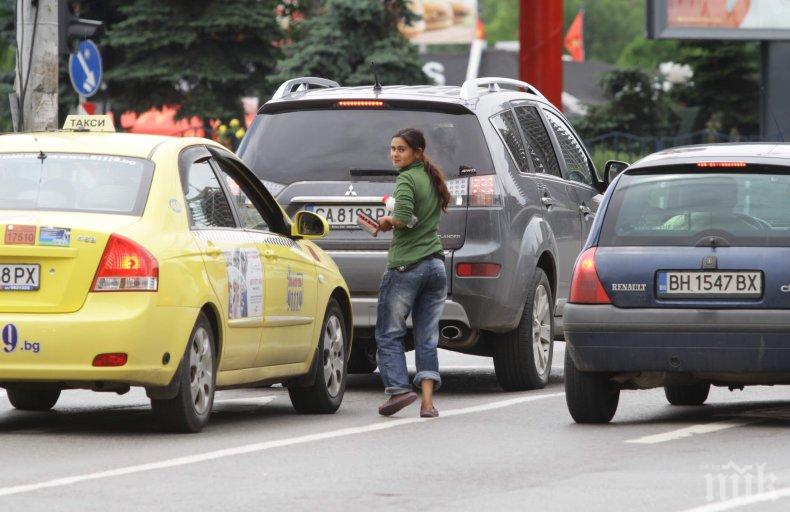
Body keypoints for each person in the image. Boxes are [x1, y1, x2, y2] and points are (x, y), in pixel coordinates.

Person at [375, 128, 450, 418]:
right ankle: (428, 404)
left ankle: (398, 390)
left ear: (417, 153)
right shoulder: (430, 177)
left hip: (407, 265)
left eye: (401, 149)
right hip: (435, 265)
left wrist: (386, 221)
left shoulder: (406, 178)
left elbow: (404, 218)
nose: (395, 154)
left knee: (388, 333)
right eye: (392, 148)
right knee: (427, 337)